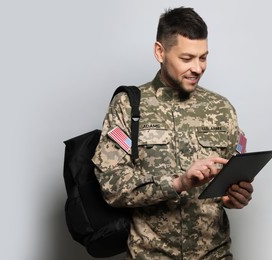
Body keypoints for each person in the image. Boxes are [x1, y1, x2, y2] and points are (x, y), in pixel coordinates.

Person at [92, 7, 253, 259]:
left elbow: (231, 179)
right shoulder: (127, 106)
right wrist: (178, 183)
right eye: (187, 58)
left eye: (203, 57)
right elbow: (111, 186)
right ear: (160, 52)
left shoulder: (222, 109)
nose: (198, 68)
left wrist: (235, 196)